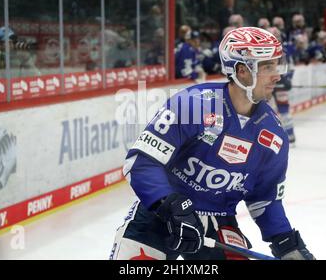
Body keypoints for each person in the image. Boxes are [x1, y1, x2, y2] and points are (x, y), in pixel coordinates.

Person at [110, 27, 315, 260]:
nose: (278, 75)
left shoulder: (273, 135)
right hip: (161, 214)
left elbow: (264, 198)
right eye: (268, 67)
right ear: (242, 71)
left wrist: (285, 242)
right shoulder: (192, 105)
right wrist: (170, 205)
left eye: (278, 65)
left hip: (219, 224)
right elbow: (140, 162)